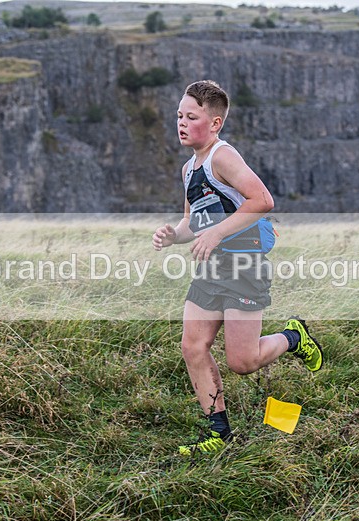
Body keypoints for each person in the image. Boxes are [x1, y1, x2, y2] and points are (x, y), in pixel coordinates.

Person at [152, 80, 324, 456]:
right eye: (179, 116)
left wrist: (216, 233)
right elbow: (192, 222)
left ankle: (293, 337)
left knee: (242, 362)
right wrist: (173, 235)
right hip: (211, 269)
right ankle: (218, 435)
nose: (181, 123)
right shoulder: (188, 169)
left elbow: (262, 200)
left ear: (215, 123)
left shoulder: (223, 156)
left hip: (244, 266)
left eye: (191, 117)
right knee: (193, 347)